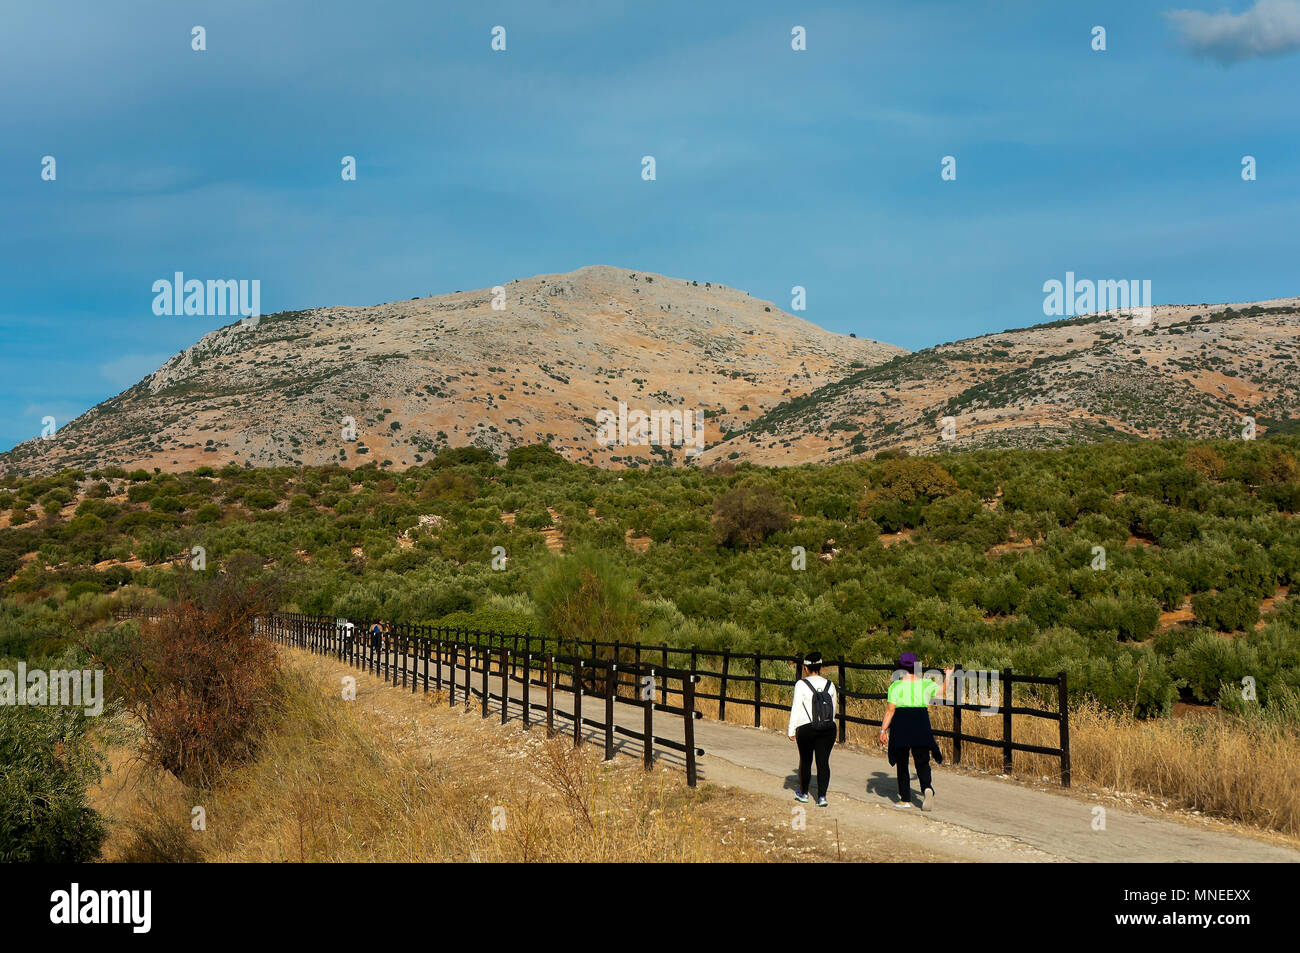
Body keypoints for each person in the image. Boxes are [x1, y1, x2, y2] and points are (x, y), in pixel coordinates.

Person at [879, 651, 952, 811]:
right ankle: (927, 788)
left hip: (902, 723)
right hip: (920, 721)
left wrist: (883, 730)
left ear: (901, 667)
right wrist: (948, 675)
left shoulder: (895, 686)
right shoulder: (925, 683)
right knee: (922, 759)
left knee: (902, 762)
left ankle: (905, 799)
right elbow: (943, 691)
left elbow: (890, 710)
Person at [787, 651, 838, 807]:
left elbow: (796, 707)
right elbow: (833, 710)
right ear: (821, 666)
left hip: (806, 727)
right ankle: (822, 797)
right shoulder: (830, 685)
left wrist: (791, 729)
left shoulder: (801, 684)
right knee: (823, 762)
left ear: (805, 668)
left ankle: (803, 793)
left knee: (806, 760)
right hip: (828, 728)